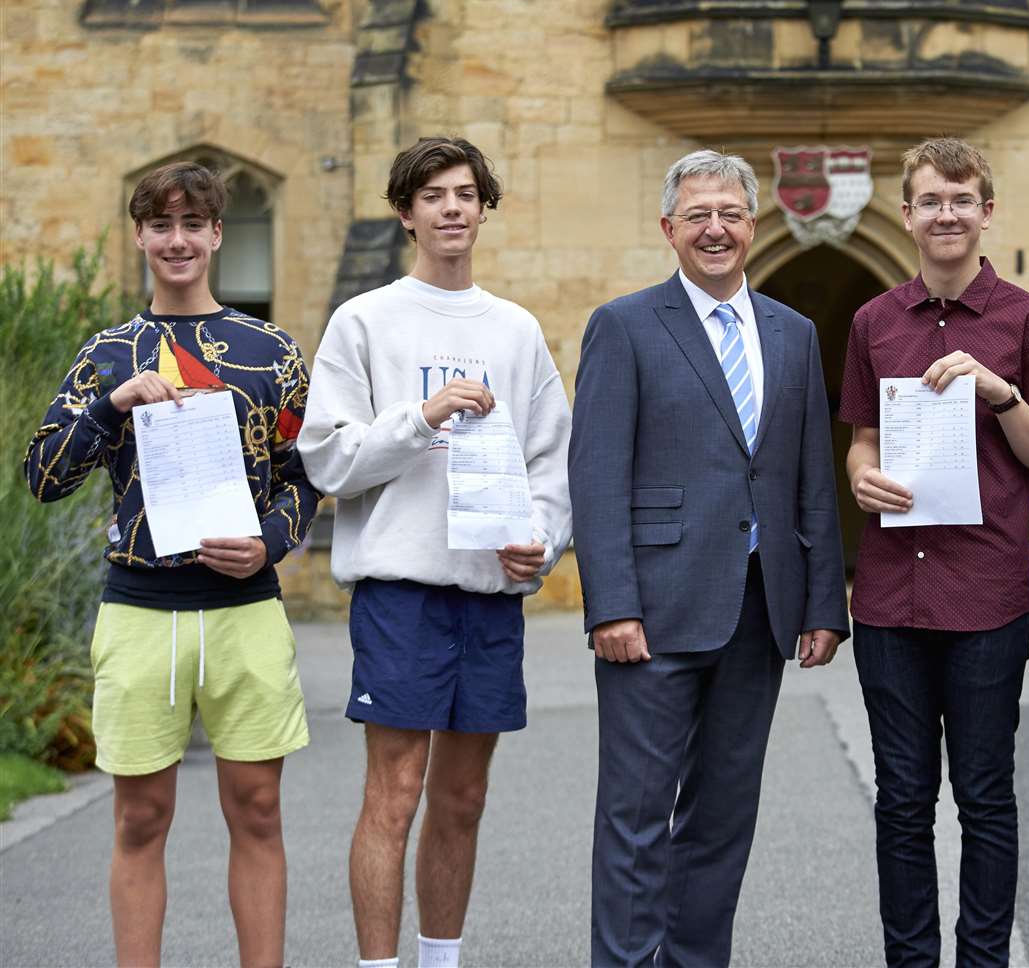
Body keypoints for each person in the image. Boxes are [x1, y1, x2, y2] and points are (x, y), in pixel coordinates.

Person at [24, 161, 317, 968]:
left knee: (257, 811)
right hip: (139, 610)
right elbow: (43, 478)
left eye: (194, 225)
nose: (177, 240)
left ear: (218, 234)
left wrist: (270, 542)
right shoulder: (107, 354)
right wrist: (107, 406)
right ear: (141, 235)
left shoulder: (273, 352)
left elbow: (304, 477)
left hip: (244, 608)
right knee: (139, 819)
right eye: (161, 225)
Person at [297, 137, 572, 968]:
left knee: (463, 796)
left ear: (484, 209)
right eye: (433, 196)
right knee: (395, 794)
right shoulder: (366, 320)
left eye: (465, 194)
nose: (451, 208)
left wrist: (543, 542)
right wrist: (421, 418)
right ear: (406, 214)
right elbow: (328, 458)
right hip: (403, 591)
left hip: (489, 593)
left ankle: (441, 961)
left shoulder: (517, 330)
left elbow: (550, 463)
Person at [570, 149, 848, 967]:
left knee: (723, 819)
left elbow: (808, 477)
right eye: (697, 215)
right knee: (636, 817)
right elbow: (596, 475)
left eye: (729, 214)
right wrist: (611, 605)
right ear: (668, 229)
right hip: (652, 611)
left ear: (752, 226)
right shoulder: (624, 325)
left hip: (759, 608)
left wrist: (823, 603)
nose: (715, 229)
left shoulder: (792, 335)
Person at [840, 137, 1029, 967]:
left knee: (982, 797)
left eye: (960, 199)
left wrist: (1000, 393)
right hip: (890, 600)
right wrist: (862, 477)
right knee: (901, 802)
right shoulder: (873, 322)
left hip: (985, 593)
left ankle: (981, 960)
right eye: (930, 200)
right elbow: (861, 442)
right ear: (906, 214)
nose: (945, 214)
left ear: (985, 211)